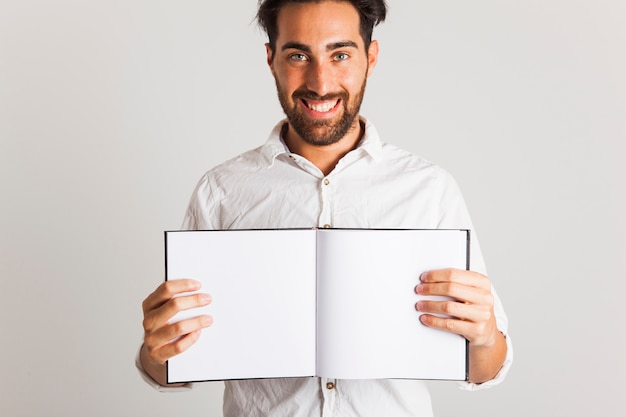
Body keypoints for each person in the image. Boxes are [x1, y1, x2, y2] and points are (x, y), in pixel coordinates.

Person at [137, 1, 513, 416]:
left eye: (340, 55)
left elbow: (485, 368)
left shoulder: (429, 189)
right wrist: (156, 351)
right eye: (299, 55)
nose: (320, 82)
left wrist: (484, 336)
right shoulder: (221, 191)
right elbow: (174, 364)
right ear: (271, 60)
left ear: (370, 58)